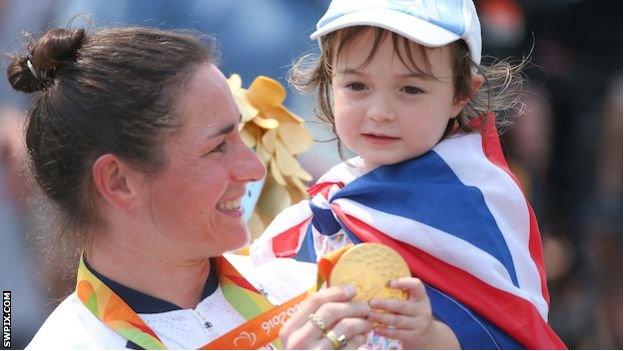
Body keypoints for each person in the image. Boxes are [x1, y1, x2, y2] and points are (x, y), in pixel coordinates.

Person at [9, 26, 377, 350]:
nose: (252, 169)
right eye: (218, 147)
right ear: (119, 183)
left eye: (240, 135)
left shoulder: (308, 294)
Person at [251, 0, 566, 349]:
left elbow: (515, 336)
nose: (380, 112)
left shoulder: (476, 202)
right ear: (330, 79)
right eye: (356, 85)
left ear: (462, 94)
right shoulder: (321, 205)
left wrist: (431, 337)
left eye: (411, 89)